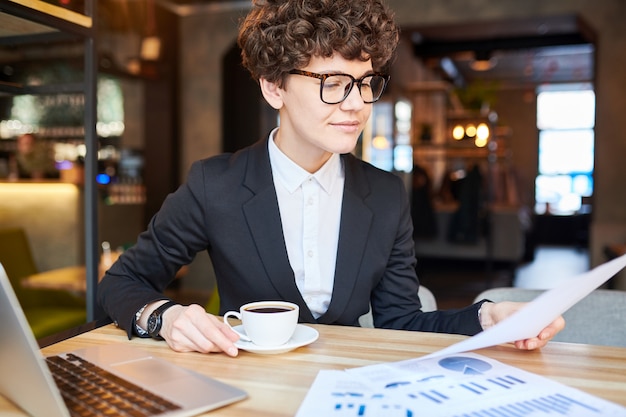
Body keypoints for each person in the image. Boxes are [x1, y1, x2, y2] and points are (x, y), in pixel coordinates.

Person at [98, 0, 564, 357]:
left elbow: (401, 321)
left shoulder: (384, 194)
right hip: (253, 391)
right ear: (273, 86)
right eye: (333, 83)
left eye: (365, 82)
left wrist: (489, 318)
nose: (357, 104)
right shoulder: (214, 184)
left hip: (348, 385)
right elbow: (122, 283)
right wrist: (166, 316)